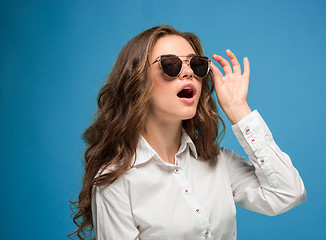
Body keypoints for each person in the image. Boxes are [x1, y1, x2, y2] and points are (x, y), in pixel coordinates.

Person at [69, 26, 306, 240]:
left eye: (196, 64)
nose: (188, 73)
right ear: (137, 81)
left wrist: (238, 110)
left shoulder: (218, 162)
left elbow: (287, 193)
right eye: (170, 65)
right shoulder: (116, 181)